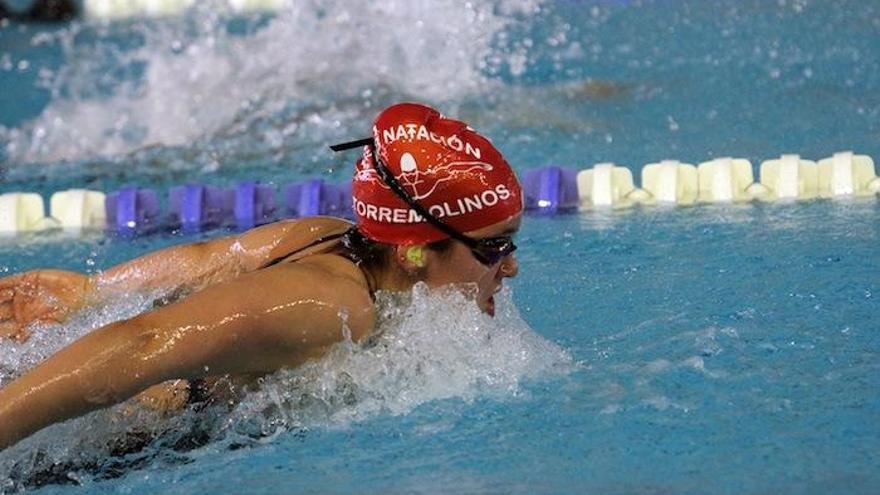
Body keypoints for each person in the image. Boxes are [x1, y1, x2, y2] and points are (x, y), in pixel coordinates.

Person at [0, 102, 523, 451]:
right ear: (412, 251)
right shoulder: (329, 307)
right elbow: (145, 342)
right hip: (116, 443)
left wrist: (95, 290)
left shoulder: (328, 235)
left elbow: (214, 256)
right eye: (493, 247)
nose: (511, 265)